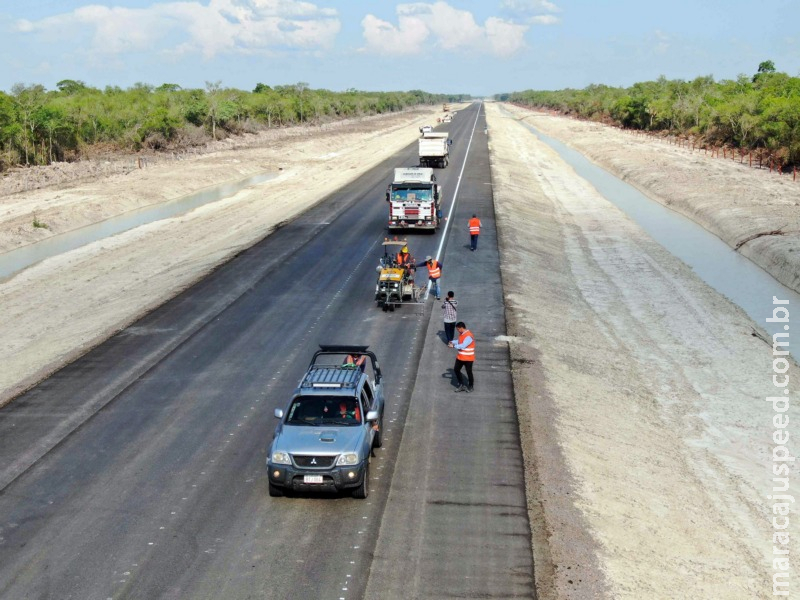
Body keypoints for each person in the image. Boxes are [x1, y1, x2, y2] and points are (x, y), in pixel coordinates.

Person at [448, 321, 475, 392]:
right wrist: (452, 341)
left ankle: (471, 386)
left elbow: (463, 345)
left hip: (468, 358)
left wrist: (453, 346)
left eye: (458, 329)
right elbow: (459, 341)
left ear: (462, 328)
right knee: (456, 369)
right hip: (461, 357)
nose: (458, 330)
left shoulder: (468, 336)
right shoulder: (462, 334)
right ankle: (461, 385)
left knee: (469, 372)